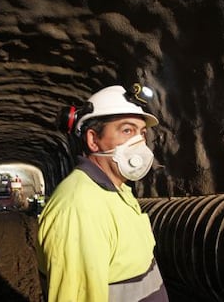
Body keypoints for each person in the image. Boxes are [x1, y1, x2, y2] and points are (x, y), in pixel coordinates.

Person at [36, 84, 169, 301]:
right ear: (93, 140)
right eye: (127, 130)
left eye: (141, 132)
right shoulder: (79, 208)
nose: (139, 142)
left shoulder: (117, 191)